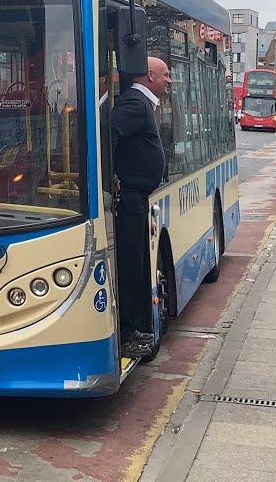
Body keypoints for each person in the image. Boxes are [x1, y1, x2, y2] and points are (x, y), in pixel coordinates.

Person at [109, 56, 171, 358]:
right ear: (149, 75)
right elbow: (108, 134)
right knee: (131, 266)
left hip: (136, 198)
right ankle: (129, 333)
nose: (169, 80)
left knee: (137, 263)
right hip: (129, 198)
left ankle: (137, 329)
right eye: (165, 75)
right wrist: (111, 176)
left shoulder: (142, 103)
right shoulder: (134, 102)